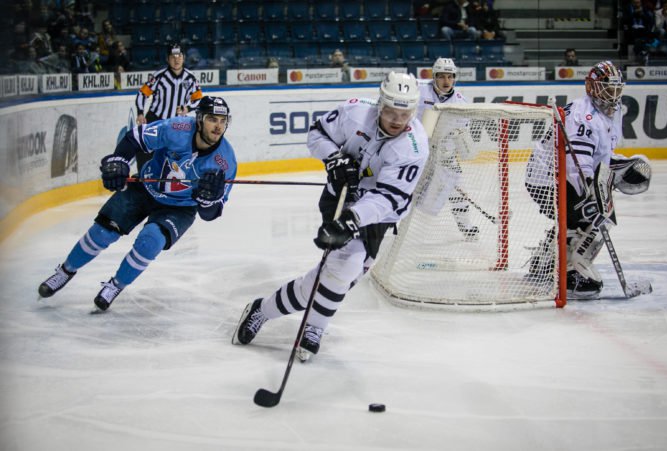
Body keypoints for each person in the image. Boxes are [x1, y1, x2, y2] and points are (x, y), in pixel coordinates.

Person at [232, 72, 429, 359]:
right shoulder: (354, 112)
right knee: (343, 268)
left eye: (405, 113)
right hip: (338, 197)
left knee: (337, 277)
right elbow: (316, 133)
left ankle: (262, 309)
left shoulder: (414, 146)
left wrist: (352, 219)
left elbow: (388, 198)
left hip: (377, 214)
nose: (398, 120)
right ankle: (314, 329)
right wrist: (334, 158)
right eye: (391, 111)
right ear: (380, 103)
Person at [38, 97, 237, 311]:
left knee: (150, 240)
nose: (218, 126)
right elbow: (135, 138)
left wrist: (209, 200)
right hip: (144, 188)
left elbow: (210, 214)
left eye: (223, 120)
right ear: (199, 119)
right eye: (212, 119)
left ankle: (116, 285)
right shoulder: (177, 127)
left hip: (180, 208)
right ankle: (65, 271)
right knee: (102, 232)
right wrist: (119, 161)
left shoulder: (226, 161)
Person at [525, 61, 651, 300]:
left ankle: (545, 260)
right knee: (596, 215)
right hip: (547, 180)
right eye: (606, 87)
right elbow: (577, 165)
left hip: (554, 175)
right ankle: (570, 271)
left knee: (590, 211)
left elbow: (601, 155)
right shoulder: (584, 115)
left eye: (616, 88)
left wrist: (624, 164)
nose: (612, 93)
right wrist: (587, 199)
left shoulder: (612, 111)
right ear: (591, 87)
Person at [416, 57, 479, 240]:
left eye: (450, 77)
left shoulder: (460, 102)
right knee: (408, 189)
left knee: (456, 189)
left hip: (445, 154)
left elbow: (461, 133)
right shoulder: (420, 90)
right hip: (419, 150)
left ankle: (466, 226)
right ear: (434, 76)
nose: (446, 81)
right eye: (441, 76)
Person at [135, 43, 204, 126]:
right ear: (167, 59)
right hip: (155, 121)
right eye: (173, 57)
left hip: (177, 124)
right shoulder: (158, 76)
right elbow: (142, 94)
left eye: (179, 56)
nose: (176, 60)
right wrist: (140, 113)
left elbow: (199, 99)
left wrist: (188, 108)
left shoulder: (191, 78)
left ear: (184, 58)